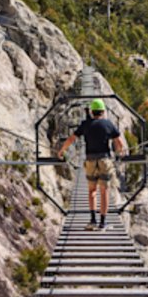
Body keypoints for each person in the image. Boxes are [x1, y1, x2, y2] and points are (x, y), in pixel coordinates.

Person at [57, 98, 124, 228]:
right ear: (103, 111)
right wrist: (120, 153)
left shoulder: (85, 124)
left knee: (92, 190)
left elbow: (72, 138)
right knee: (104, 191)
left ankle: (93, 220)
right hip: (104, 159)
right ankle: (103, 222)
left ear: (92, 112)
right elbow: (119, 143)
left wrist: (61, 150)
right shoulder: (108, 124)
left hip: (90, 160)